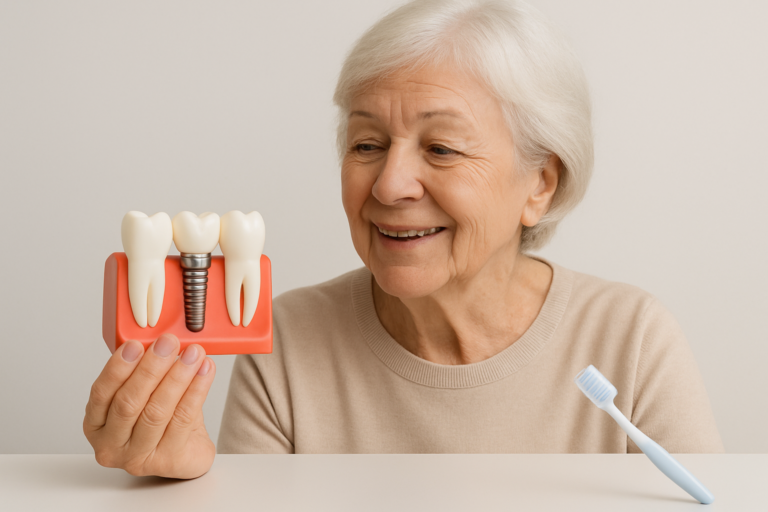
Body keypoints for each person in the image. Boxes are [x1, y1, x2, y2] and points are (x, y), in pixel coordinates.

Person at [83, 0, 723, 479]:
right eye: (367, 144)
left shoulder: (632, 339)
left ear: (540, 186)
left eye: (441, 148)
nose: (389, 184)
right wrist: (181, 488)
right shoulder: (289, 342)